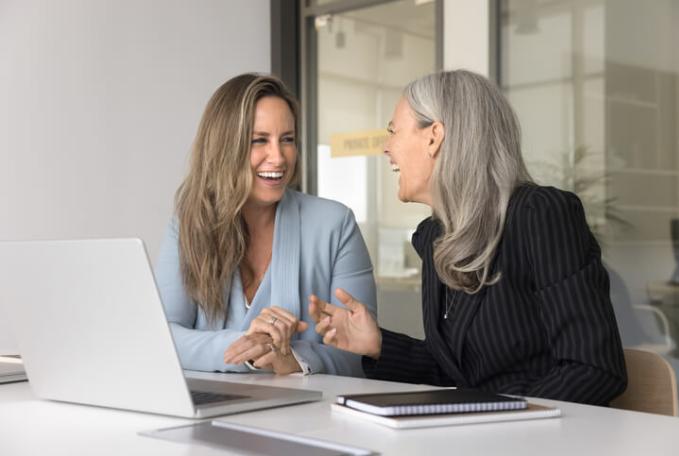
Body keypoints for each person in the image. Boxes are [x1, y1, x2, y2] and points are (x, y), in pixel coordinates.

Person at [309, 69, 627, 405]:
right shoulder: (435, 236)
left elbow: (593, 369)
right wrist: (378, 344)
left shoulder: (541, 214)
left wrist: (498, 424)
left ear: (434, 136)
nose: (387, 148)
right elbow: (459, 375)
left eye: (393, 132)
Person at [155, 73, 376, 376]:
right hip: (214, 411)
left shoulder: (336, 225)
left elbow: (359, 352)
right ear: (224, 147)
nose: (279, 157)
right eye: (259, 140)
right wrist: (248, 347)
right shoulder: (187, 226)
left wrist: (290, 359)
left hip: (313, 417)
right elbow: (162, 338)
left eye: (287, 139)